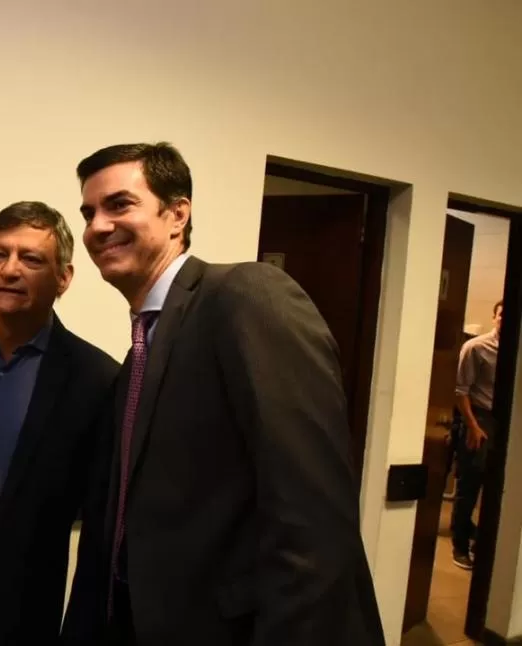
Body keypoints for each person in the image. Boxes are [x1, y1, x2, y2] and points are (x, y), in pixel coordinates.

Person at [61, 142, 386, 645]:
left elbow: (313, 522)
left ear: (176, 215)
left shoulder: (245, 295)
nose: (97, 226)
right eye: (89, 212)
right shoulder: (138, 356)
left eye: (119, 205)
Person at [0, 201, 120, 645]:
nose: (9, 270)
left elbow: (98, 521)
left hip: (13, 618)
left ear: (64, 278)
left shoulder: (96, 379)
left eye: (31, 259)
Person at [451, 300, 502, 569]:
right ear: (494, 317)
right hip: (479, 420)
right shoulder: (476, 347)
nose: (504, 320)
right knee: (469, 486)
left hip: (503, 423)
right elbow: (461, 392)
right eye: (501, 315)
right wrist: (472, 426)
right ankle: (459, 545)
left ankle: (480, 542)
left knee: (496, 489)